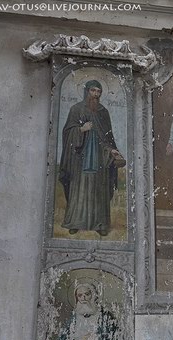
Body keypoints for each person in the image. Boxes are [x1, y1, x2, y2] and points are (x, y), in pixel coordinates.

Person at [58, 80, 124, 237]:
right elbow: (67, 133)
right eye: (93, 90)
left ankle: (100, 224)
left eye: (98, 91)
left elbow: (109, 137)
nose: (96, 94)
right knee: (79, 188)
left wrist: (113, 150)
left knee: (99, 189)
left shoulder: (103, 112)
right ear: (87, 91)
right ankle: (75, 222)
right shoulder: (76, 109)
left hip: (100, 158)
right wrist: (81, 129)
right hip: (80, 158)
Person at [47, 283, 118, 340]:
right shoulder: (73, 320)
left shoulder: (105, 317)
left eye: (87, 294)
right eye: (80, 295)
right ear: (77, 298)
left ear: (93, 295)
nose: (83, 298)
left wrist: (98, 338)